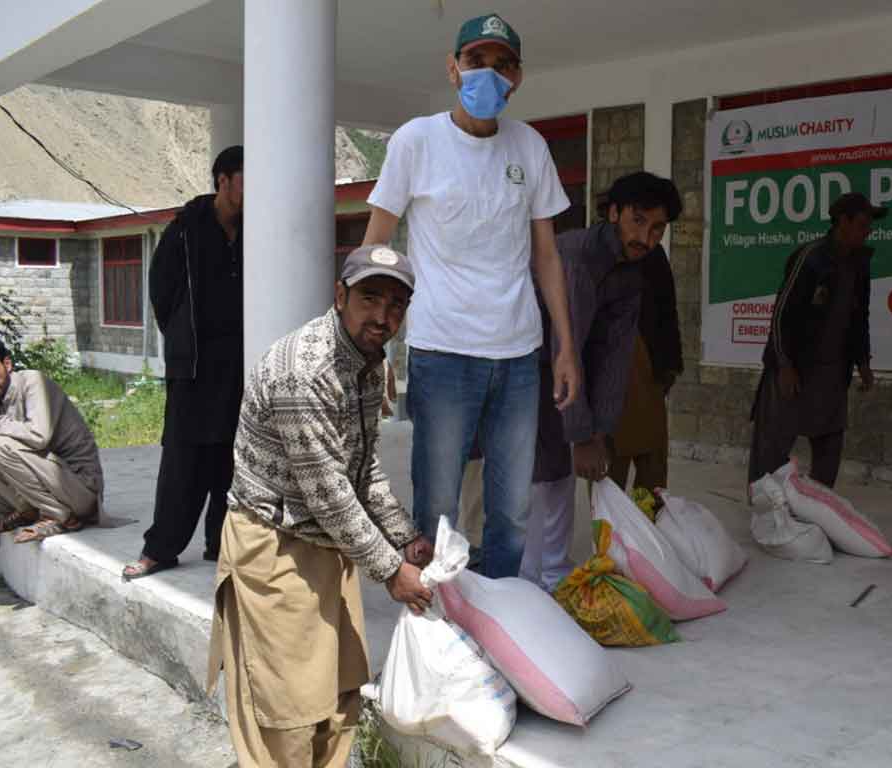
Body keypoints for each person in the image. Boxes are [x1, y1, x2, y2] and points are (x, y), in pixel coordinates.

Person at [362, 12, 579, 579]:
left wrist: (565, 348)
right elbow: (377, 251)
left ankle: (500, 618)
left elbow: (547, 255)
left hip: (517, 355)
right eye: (476, 61)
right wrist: (372, 348)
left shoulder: (529, 147)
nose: (488, 74)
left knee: (511, 512)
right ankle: (436, 624)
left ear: (518, 78)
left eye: (501, 65)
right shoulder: (418, 140)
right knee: (437, 507)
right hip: (442, 352)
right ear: (453, 69)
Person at [208, 244, 434, 767]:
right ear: (340, 296)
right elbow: (329, 493)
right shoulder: (303, 372)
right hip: (274, 547)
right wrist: (391, 570)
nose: (382, 316)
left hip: (329, 547)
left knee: (336, 697)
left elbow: (362, 468)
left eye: (396, 304)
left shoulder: (370, 360)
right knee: (285, 713)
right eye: (370, 298)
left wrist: (404, 535)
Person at [521, 172, 682, 592]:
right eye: (638, 220)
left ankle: (552, 570)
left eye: (657, 229)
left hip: (567, 365)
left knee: (560, 471)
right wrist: (582, 434)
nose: (645, 237)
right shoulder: (575, 257)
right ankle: (531, 576)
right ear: (613, 213)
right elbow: (563, 345)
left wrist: (601, 430)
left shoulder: (635, 270)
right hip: (530, 362)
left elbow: (614, 356)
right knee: (545, 471)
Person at [124, 145, 245, 580]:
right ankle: (161, 548)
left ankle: (221, 544)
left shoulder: (255, 228)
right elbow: (161, 290)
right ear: (223, 180)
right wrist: (181, 335)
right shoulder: (187, 228)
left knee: (233, 458)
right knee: (184, 460)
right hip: (194, 365)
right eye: (245, 177)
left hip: (240, 364)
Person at [747, 192, 881, 490]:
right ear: (842, 222)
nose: (868, 230)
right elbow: (782, 313)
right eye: (862, 224)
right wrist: (783, 364)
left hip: (832, 371)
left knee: (829, 446)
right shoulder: (810, 257)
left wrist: (863, 362)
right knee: (772, 447)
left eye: (869, 225)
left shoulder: (860, 264)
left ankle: (820, 509)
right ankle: (766, 508)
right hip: (794, 368)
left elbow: (860, 317)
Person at [0, 336, 103, 543]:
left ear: (7, 364)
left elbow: (39, 436)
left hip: (80, 488)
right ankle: (28, 511)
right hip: (44, 489)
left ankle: (58, 515)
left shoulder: (33, 381)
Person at [609, 234, 683, 493]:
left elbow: (667, 309)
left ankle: (647, 529)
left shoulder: (654, 256)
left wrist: (670, 365)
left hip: (649, 367)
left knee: (651, 466)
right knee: (611, 471)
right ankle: (610, 532)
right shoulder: (598, 255)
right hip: (612, 375)